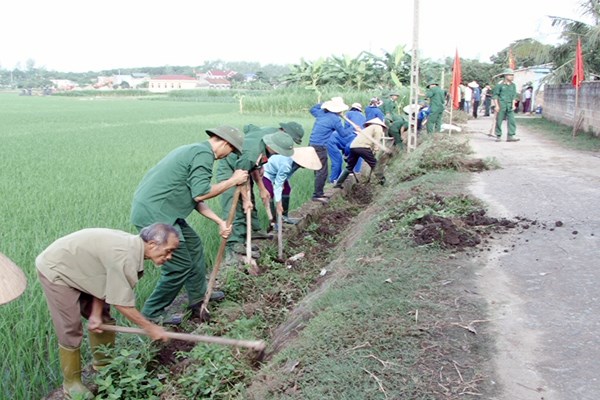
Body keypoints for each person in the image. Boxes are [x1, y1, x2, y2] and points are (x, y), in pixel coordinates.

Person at [36, 223, 177, 398]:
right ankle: (71, 384)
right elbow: (122, 303)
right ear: (152, 244)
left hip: (84, 268)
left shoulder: (134, 248)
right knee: (70, 327)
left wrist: (95, 315)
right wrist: (150, 328)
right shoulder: (125, 256)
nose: (169, 256)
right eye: (168, 250)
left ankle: (103, 363)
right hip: (58, 268)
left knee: (102, 318)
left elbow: (103, 280)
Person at [130, 126, 249, 325]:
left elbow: (195, 199)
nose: (229, 155)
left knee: (193, 246)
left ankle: (198, 297)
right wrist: (232, 181)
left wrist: (219, 221)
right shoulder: (203, 153)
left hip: (168, 212)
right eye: (232, 150)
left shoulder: (196, 151)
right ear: (225, 143)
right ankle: (151, 314)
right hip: (155, 213)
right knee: (179, 265)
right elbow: (201, 192)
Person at [217, 129, 295, 263]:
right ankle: (233, 246)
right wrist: (246, 199)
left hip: (244, 167)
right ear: (272, 146)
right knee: (234, 204)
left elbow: (254, 168)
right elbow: (242, 175)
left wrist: (262, 188)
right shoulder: (251, 154)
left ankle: (253, 231)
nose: (278, 154)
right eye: (277, 151)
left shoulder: (267, 142)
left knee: (250, 199)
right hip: (230, 169)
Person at [263, 146, 322, 225]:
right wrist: (278, 203)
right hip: (267, 172)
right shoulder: (287, 164)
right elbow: (278, 185)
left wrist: (283, 182)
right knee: (269, 194)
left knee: (287, 189)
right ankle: (274, 222)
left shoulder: (296, 164)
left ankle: (284, 217)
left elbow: (286, 175)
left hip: (278, 172)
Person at [308, 97, 349, 203]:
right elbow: (343, 134)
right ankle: (317, 195)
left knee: (317, 170)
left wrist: (324, 104)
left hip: (311, 144)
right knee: (322, 171)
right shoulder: (335, 120)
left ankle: (319, 192)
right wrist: (353, 129)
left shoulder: (321, 113)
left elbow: (312, 109)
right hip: (320, 146)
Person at [334, 118, 388, 188]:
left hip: (353, 147)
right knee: (375, 164)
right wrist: (376, 149)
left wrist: (372, 150)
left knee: (349, 167)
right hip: (363, 147)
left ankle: (338, 184)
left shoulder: (367, 129)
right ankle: (382, 182)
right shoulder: (378, 127)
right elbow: (376, 140)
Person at [328, 102, 365, 182]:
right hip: (333, 140)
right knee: (338, 161)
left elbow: (346, 127)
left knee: (338, 161)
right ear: (360, 110)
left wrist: (347, 155)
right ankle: (334, 180)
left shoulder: (348, 114)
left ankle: (351, 176)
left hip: (340, 136)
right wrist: (347, 156)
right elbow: (349, 146)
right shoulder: (363, 117)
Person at [492, 68, 520, 142]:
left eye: (512, 75)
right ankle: (498, 135)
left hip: (510, 105)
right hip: (501, 104)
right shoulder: (499, 85)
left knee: (512, 120)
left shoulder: (513, 85)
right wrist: (496, 105)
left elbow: (514, 96)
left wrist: (514, 104)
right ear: (505, 76)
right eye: (510, 75)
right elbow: (495, 96)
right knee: (499, 120)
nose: (512, 77)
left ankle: (510, 136)